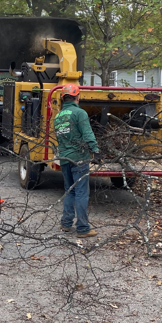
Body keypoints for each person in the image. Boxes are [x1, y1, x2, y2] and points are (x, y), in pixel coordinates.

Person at [54, 83, 101, 237]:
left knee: (70, 191)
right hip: (79, 158)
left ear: (63, 98)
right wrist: (95, 150)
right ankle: (82, 229)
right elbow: (87, 133)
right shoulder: (80, 113)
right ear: (77, 97)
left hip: (65, 158)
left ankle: (66, 224)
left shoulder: (58, 116)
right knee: (81, 193)